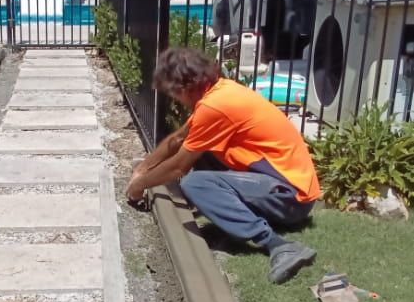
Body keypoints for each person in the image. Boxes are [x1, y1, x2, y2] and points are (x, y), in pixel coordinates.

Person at [126, 47, 320, 284]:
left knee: (196, 183)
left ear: (184, 87)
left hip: (291, 197)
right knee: (203, 152)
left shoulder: (215, 106)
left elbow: (178, 168)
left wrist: (139, 185)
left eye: (172, 93)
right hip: (277, 185)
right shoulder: (220, 92)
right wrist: (143, 168)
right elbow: (179, 139)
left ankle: (278, 245)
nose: (174, 98)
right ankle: (229, 223)